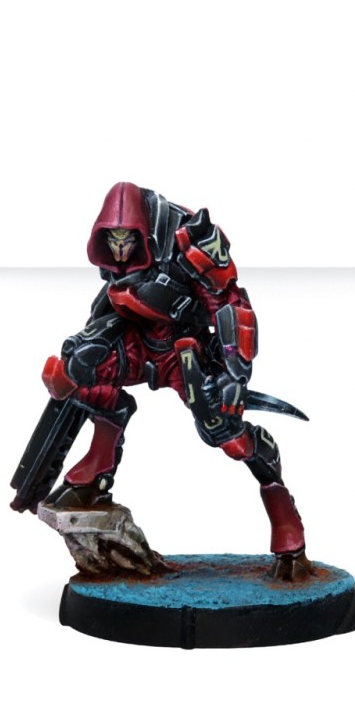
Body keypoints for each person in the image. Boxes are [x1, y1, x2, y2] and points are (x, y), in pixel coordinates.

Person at [40, 182, 311, 580]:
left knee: (224, 432)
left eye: (126, 241)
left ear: (143, 233)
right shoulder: (114, 258)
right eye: (112, 242)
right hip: (138, 342)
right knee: (87, 371)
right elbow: (110, 303)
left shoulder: (188, 238)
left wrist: (234, 374)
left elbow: (229, 302)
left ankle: (282, 510)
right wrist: (76, 362)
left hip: (188, 349)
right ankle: (96, 472)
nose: (119, 251)